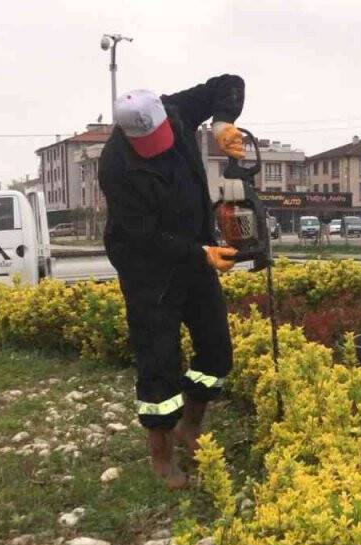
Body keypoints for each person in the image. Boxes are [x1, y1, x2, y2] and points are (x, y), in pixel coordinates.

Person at [98, 75, 246, 489]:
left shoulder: (177, 110)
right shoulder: (116, 166)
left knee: (216, 352)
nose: (158, 146)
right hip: (149, 270)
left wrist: (222, 124)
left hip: (195, 255)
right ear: (127, 134)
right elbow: (142, 236)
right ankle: (161, 456)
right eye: (145, 141)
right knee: (158, 364)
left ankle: (190, 428)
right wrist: (200, 253)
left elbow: (229, 82)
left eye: (160, 134)